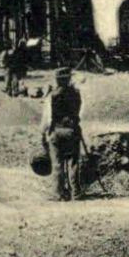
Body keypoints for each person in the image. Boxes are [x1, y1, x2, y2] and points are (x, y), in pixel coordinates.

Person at [41, 68, 84, 201]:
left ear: (57, 80)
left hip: (57, 131)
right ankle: (76, 193)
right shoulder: (76, 94)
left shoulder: (52, 96)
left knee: (57, 163)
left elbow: (47, 118)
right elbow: (80, 114)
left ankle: (59, 194)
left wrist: (43, 134)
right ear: (69, 79)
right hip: (72, 130)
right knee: (74, 162)